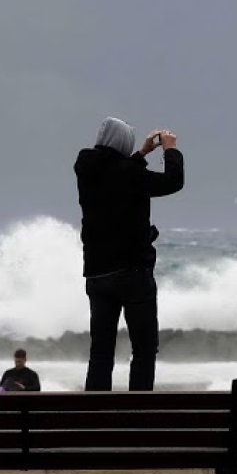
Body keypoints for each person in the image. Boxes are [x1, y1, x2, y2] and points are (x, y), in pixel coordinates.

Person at [75, 117, 183, 391]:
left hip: (98, 274)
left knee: (101, 352)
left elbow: (118, 173)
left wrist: (142, 153)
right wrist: (170, 150)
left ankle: (95, 418)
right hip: (133, 273)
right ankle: (138, 416)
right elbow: (173, 182)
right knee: (144, 350)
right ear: (124, 144)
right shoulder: (129, 175)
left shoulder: (87, 170)